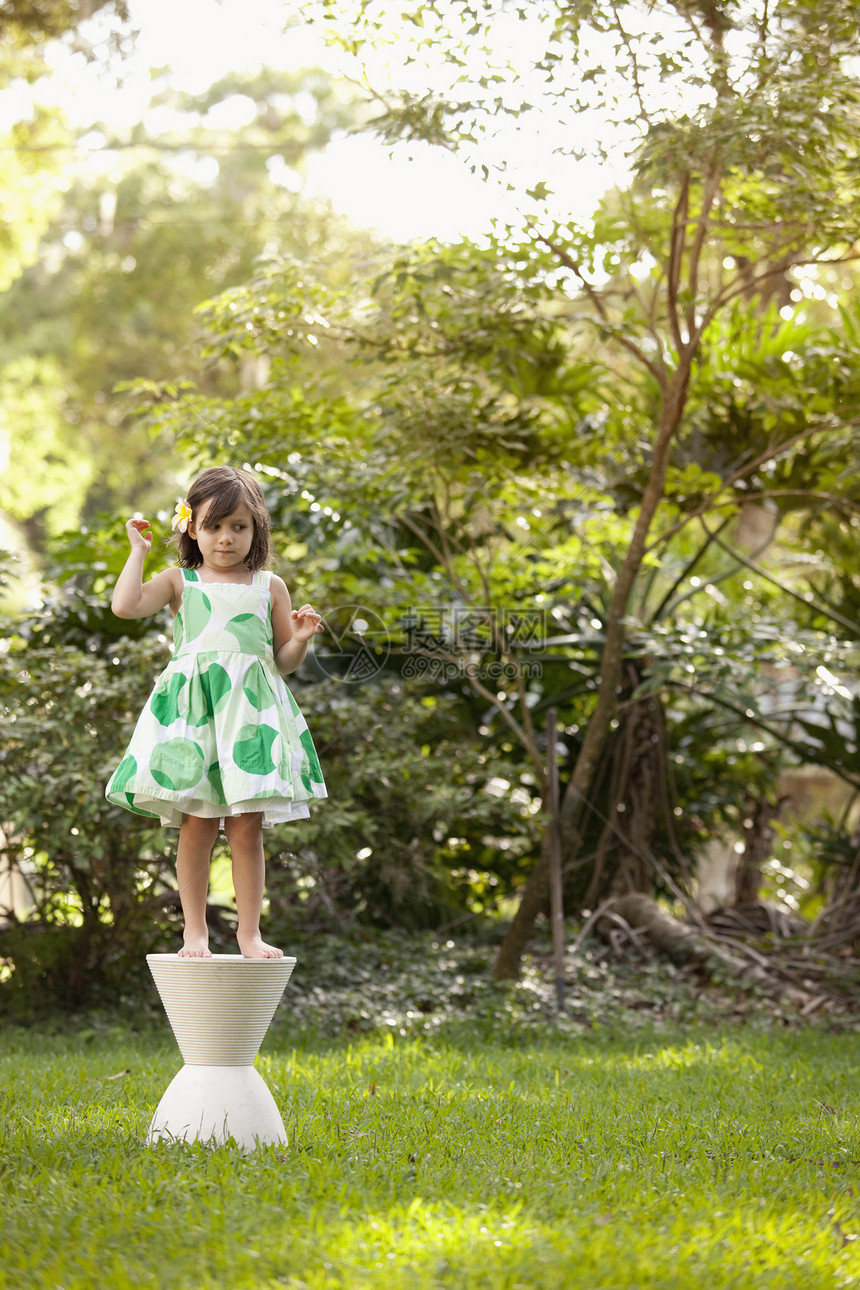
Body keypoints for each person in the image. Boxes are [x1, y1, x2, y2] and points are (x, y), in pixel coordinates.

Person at [105, 465, 327, 960]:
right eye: (213, 526)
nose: (225, 538)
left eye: (239, 527)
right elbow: (125, 605)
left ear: (256, 531)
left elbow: (281, 661)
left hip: (248, 716)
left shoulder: (269, 585)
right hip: (194, 716)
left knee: (247, 827)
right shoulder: (179, 582)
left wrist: (303, 640)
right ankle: (195, 932)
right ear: (190, 527)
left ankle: (249, 934)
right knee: (197, 825)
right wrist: (138, 553)